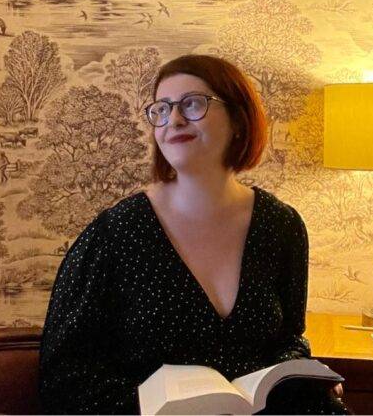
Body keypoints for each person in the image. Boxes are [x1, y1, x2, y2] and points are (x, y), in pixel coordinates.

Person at [39, 54, 350, 415]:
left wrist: (304, 376)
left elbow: (288, 340)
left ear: (238, 119)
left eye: (192, 103)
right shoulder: (115, 234)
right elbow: (64, 377)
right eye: (161, 109)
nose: (173, 119)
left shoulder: (282, 225)